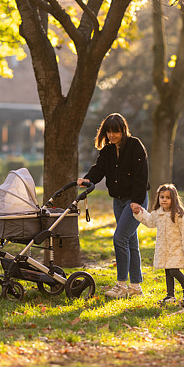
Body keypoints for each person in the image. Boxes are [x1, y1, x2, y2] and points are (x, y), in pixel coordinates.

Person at [78, 113, 149, 299]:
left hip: (135, 200)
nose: (112, 135)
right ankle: (136, 287)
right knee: (130, 241)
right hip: (118, 200)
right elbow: (99, 169)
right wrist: (87, 179)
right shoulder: (108, 151)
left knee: (119, 238)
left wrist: (137, 201)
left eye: (115, 132)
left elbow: (142, 177)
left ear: (123, 130)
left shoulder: (135, 146)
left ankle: (121, 285)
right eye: (108, 132)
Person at [131, 183, 184, 305]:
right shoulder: (158, 213)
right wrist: (139, 212)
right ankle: (170, 295)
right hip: (164, 248)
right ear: (158, 198)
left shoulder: (178, 214)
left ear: (174, 199)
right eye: (162, 197)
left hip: (176, 248)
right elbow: (149, 221)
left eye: (168, 197)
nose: (164, 200)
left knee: (173, 270)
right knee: (168, 271)